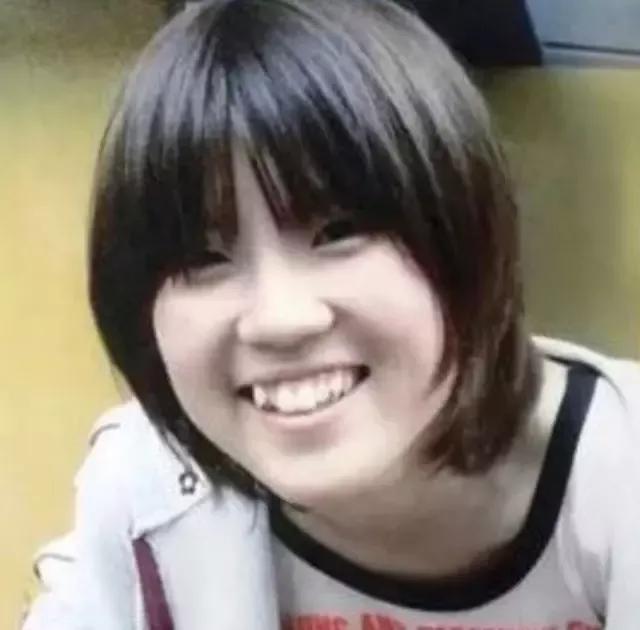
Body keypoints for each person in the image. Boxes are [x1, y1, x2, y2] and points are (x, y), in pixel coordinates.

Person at [22, 1, 640, 629]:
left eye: (339, 232)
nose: (279, 318)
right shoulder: (146, 492)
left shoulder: (617, 481)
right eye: (204, 259)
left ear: (467, 234)